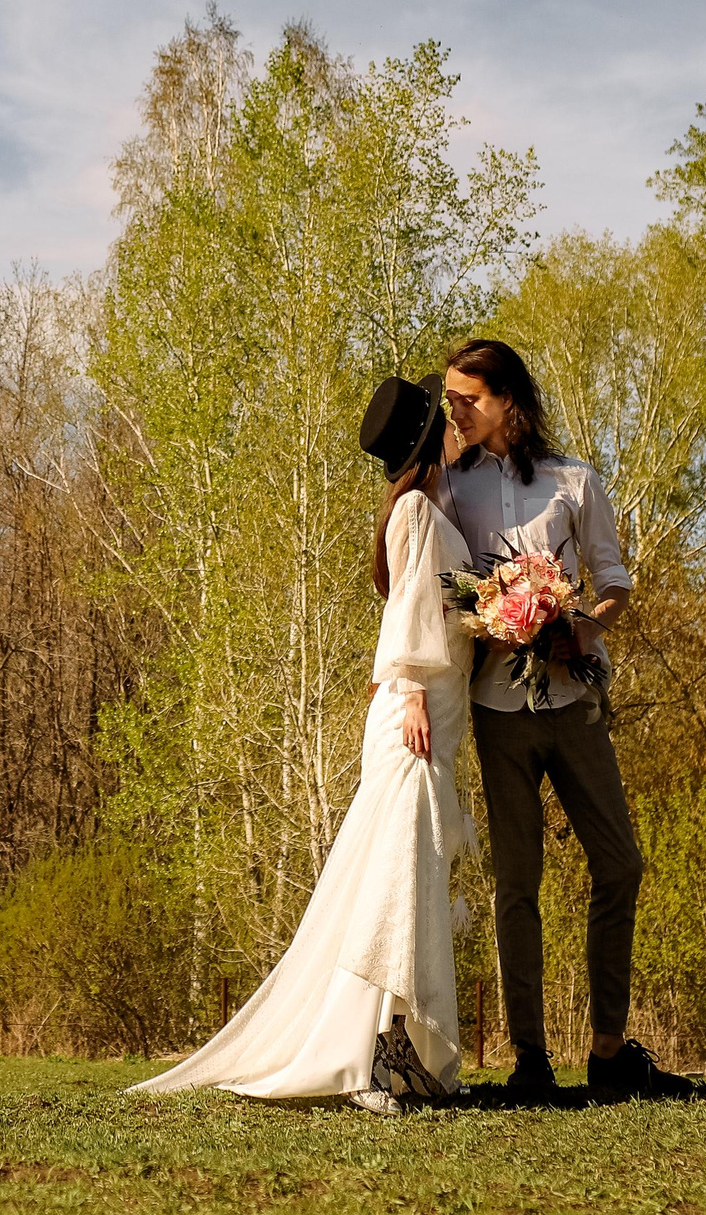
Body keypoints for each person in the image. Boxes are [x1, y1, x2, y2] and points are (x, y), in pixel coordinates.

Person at [128, 374, 475, 1111]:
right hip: (413, 711)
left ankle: (403, 1053)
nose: (454, 420)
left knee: (409, 880)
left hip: (436, 714)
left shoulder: (431, 508)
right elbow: (409, 611)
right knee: (393, 884)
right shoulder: (416, 507)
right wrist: (411, 686)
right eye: (444, 415)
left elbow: (441, 605)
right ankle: (366, 1060)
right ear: (430, 435)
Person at [440, 337, 693, 1102]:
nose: (455, 409)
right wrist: (491, 614)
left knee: (620, 863)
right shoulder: (452, 490)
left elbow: (614, 582)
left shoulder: (576, 481)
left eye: (468, 398)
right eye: (450, 398)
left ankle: (610, 1052)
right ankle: (531, 1063)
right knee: (517, 883)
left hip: (574, 702)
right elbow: (443, 587)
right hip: (498, 708)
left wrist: (582, 624)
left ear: (508, 400)